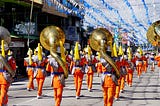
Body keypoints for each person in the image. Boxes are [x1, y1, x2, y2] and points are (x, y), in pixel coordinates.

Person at [0, 40, 16, 106]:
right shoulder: (10, 59)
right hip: (5, 77)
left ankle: (5, 103)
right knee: (4, 92)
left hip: (2, 77)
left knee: (4, 92)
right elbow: (13, 69)